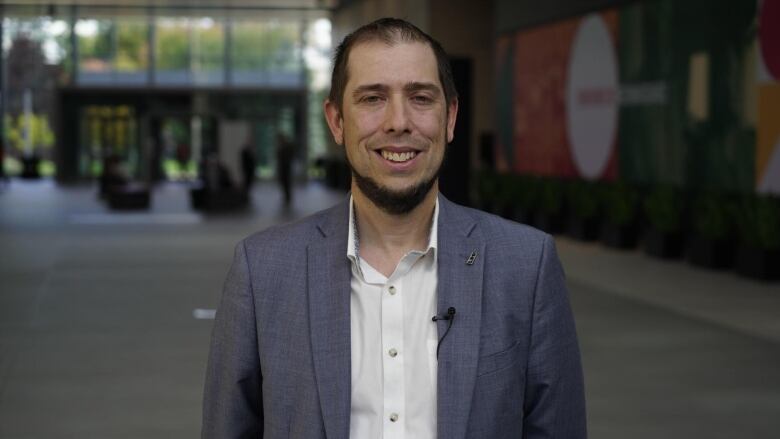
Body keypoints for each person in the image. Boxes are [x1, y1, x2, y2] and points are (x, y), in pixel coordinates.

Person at [202, 17, 586, 439]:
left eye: (421, 98)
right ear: (336, 121)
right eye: (372, 99)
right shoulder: (263, 271)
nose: (398, 122)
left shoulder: (526, 266)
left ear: (451, 118)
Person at [275, 133, 295, 205]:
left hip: (286, 167)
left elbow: (289, 156)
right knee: (284, 183)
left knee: (286, 183)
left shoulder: (287, 146)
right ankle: (286, 196)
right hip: (283, 167)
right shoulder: (282, 146)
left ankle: (288, 197)